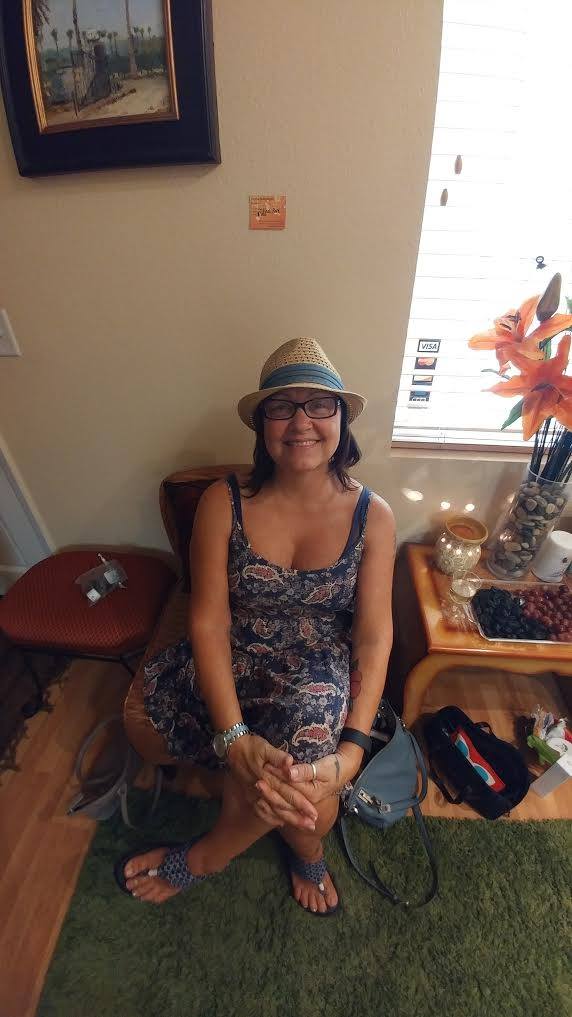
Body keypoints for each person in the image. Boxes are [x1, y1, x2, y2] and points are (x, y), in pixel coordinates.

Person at [115, 337, 395, 916]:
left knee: (306, 747)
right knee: (299, 782)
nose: (301, 422)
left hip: (318, 662)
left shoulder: (375, 515)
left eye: (320, 404)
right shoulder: (223, 501)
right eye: (282, 407)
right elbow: (208, 619)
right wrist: (234, 737)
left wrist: (353, 750)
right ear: (262, 425)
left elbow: (373, 635)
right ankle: (308, 854)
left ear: (342, 420)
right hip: (232, 652)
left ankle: (205, 858)